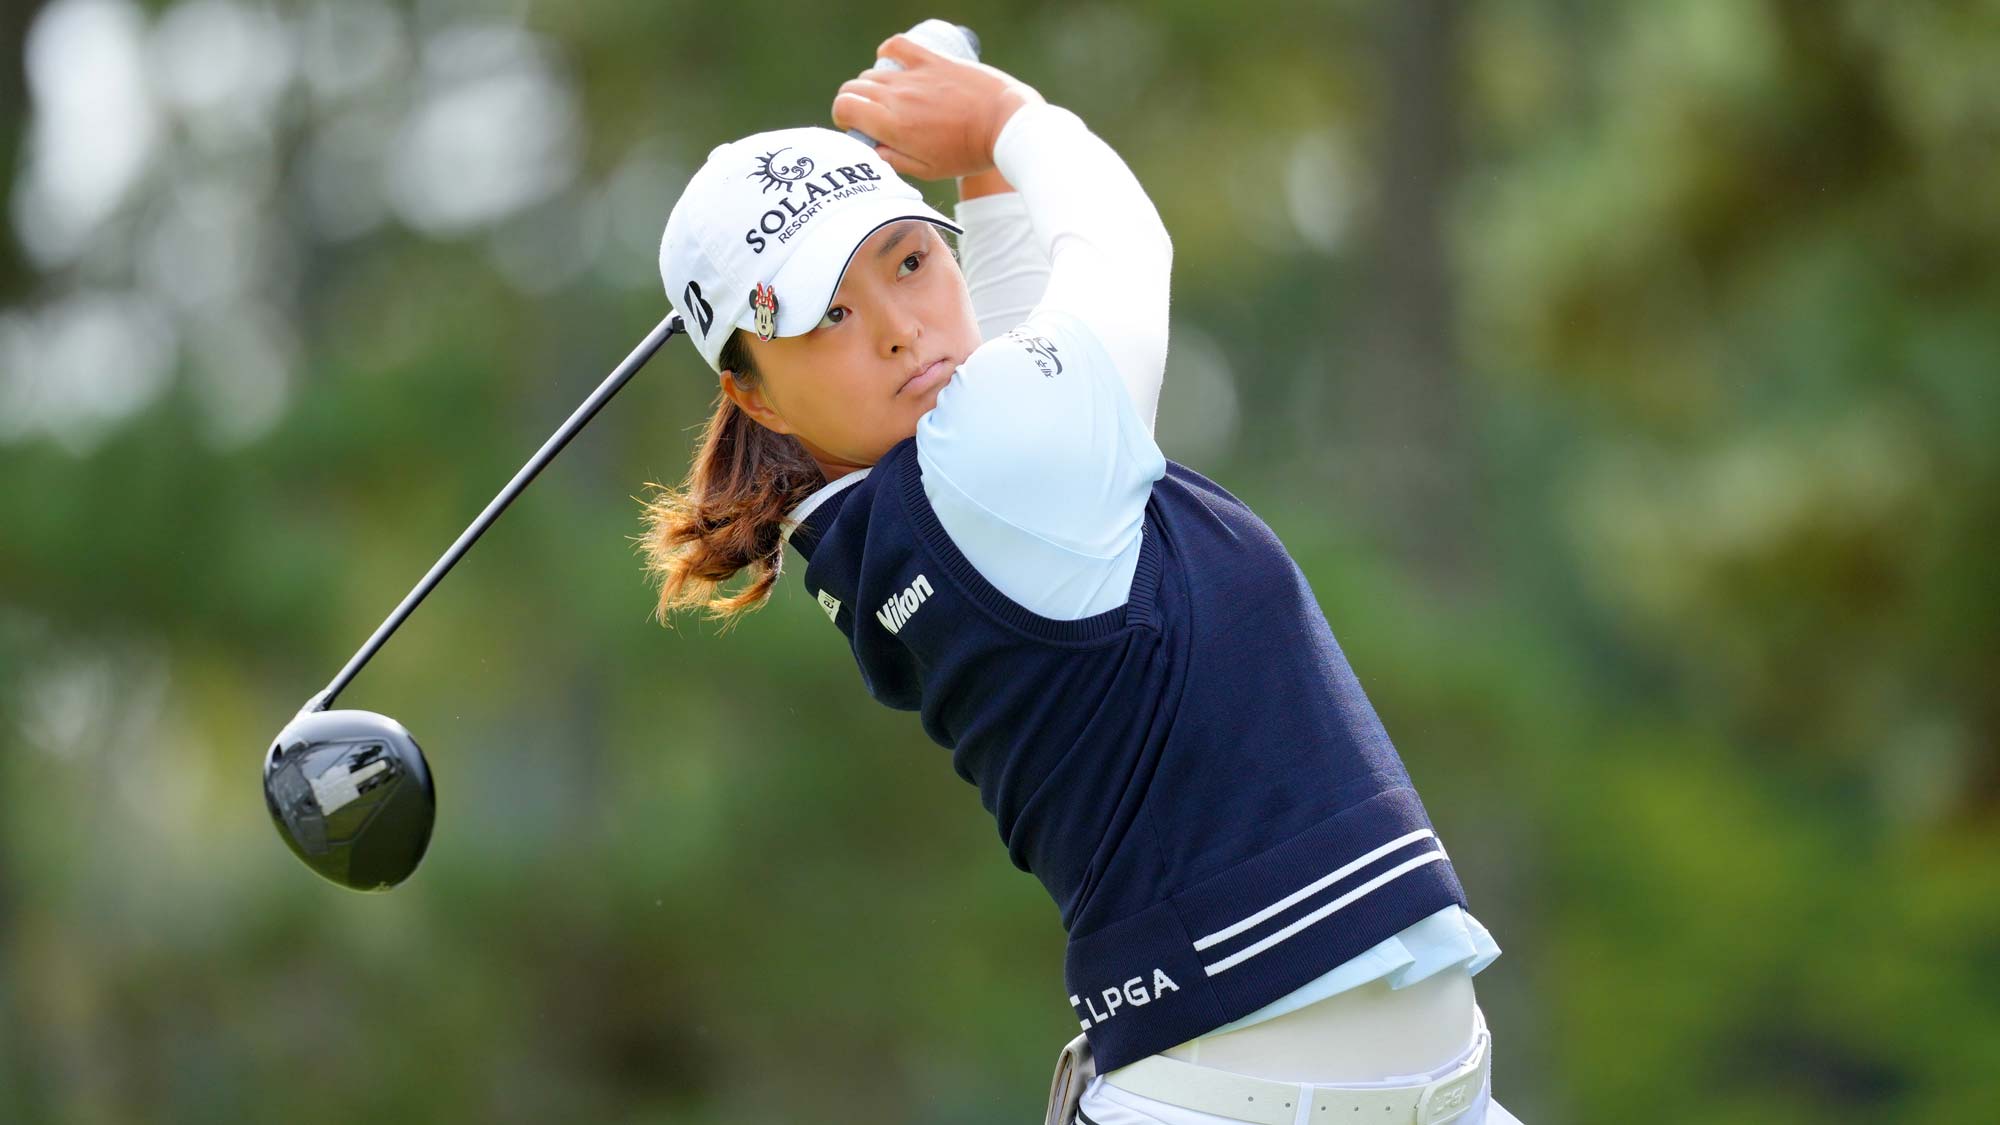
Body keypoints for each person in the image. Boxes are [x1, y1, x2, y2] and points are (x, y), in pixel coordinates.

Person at [644, 33, 1523, 1125]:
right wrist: (1004, 115)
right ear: (760, 400)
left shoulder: (900, 510)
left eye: (911, 261)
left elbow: (1002, 349)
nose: (898, 329)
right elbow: (1122, 242)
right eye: (827, 315)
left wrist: (981, 162)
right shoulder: (995, 463)